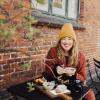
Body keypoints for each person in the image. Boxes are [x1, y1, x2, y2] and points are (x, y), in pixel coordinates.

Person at [44, 23, 96, 100]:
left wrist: (74, 74)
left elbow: (83, 77)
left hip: (73, 86)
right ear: (60, 40)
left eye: (69, 39)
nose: (66, 42)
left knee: (90, 96)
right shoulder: (53, 51)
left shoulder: (80, 56)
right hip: (55, 84)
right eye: (64, 38)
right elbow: (47, 69)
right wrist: (57, 70)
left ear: (73, 41)